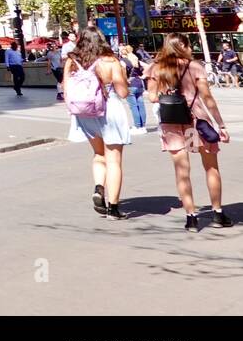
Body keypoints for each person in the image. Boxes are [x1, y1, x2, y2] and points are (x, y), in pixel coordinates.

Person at [146, 34, 232, 230]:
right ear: (182, 46)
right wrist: (221, 125)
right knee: (211, 166)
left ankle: (191, 217)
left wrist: (168, 96)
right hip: (197, 120)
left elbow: (152, 97)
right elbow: (207, 97)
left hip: (172, 122)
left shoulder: (156, 68)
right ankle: (218, 213)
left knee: (182, 171)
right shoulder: (194, 67)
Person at [64, 30, 132, 220]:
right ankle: (114, 207)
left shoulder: (72, 61)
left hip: (84, 112)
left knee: (98, 154)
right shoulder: (110, 61)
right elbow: (123, 92)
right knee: (114, 160)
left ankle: (99, 187)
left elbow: (65, 87)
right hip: (109, 109)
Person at [119, 44, 147, 134]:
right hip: (139, 83)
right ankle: (143, 126)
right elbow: (148, 67)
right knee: (141, 105)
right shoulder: (136, 60)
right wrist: (143, 76)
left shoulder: (123, 61)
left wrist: (125, 81)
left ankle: (137, 126)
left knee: (133, 106)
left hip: (130, 84)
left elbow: (122, 73)